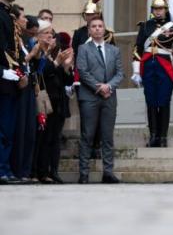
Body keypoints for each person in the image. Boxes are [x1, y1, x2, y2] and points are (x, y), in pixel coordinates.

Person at [132, 0, 173, 147]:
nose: (158, 11)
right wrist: (136, 71)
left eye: (161, 8)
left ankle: (162, 137)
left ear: (165, 9)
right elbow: (138, 49)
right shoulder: (145, 26)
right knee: (150, 102)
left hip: (165, 68)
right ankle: (153, 135)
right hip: (148, 67)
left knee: (163, 101)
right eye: (155, 9)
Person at [76, 17, 123, 183]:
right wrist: (99, 87)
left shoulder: (113, 50)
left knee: (107, 137)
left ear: (105, 29)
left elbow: (120, 73)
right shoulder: (83, 49)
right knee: (87, 135)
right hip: (90, 97)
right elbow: (82, 71)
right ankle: (83, 173)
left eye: (100, 26)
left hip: (109, 98)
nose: (97, 29)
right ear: (89, 30)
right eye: (93, 26)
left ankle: (108, 172)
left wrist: (108, 87)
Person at [33, 22, 73, 183]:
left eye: (52, 33)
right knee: (42, 137)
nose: (50, 36)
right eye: (46, 33)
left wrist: (66, 67)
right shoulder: (38, 53)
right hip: (43, 101)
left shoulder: (57, 54)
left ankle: (52, 171)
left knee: (54, 138)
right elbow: (40, 74)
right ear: (39, 35)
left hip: (58, 102)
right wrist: (56, 63)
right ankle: (38, 171)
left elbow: (67, 81)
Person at [0, 0, 27, 184]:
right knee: (2, 127)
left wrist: (19, 71)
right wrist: (2, 70)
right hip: (2, 76)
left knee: (8, 128)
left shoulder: (8, 14)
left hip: (11, 78)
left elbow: (15, 48)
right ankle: (1, 169)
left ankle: (6, 168)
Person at [11, 12, 38, 181]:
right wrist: (32, 54)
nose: (25, 20)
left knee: (29, 131)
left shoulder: (24, 41)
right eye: (23, 17)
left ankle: (25, 171)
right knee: (19, 131)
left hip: (29, 87)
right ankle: (17, 170)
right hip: (19, 88)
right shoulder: (15, 42)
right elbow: (17, 62)